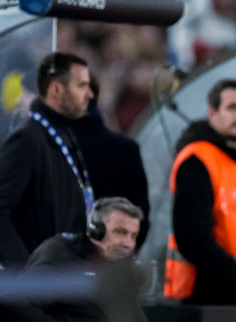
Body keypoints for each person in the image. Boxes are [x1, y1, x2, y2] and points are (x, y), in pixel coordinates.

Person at [165, 79, 236, 305]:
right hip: (217, 296)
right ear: (212, 113)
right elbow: (191, 235)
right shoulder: (198, 160)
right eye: (232, 107)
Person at [0, 52, 94, 269]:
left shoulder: (68, 137)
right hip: (39, 285)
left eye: (24, 93)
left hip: (64, 274)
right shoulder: (26, 139)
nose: (18, 100)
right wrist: (27, 272)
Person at [0, 197, 147, 322]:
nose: (128, 244)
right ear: (95, 231)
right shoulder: (63, 257)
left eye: (133, 236)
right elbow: (14, 302)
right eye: (120, 232)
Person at [72, 74, 150, 249]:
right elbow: (141, 214)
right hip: (112, 262)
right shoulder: (126, 148)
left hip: (58, 266)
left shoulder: (48, 147)